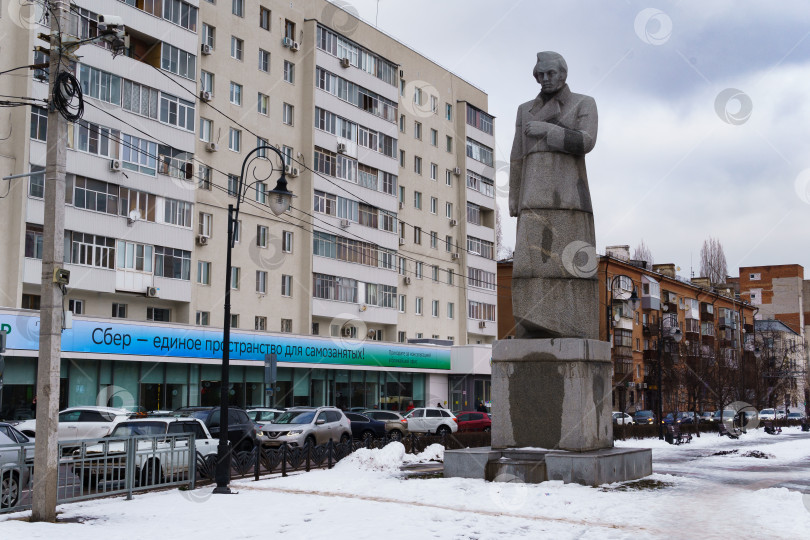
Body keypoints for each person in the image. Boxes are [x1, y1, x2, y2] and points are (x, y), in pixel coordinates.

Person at [508, 51, 599, 340]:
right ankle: (531, 320)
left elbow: (586, 141)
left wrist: (548, 130)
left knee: (569, 259)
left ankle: (570, 323)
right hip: (532, 193)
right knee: (530, 260)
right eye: (540, 74)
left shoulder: (583, 103)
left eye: (550, 73)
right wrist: (514, 197)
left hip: (569, 197)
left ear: (563, 73)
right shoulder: (525, 110)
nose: (545, 79)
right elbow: (517, 157)